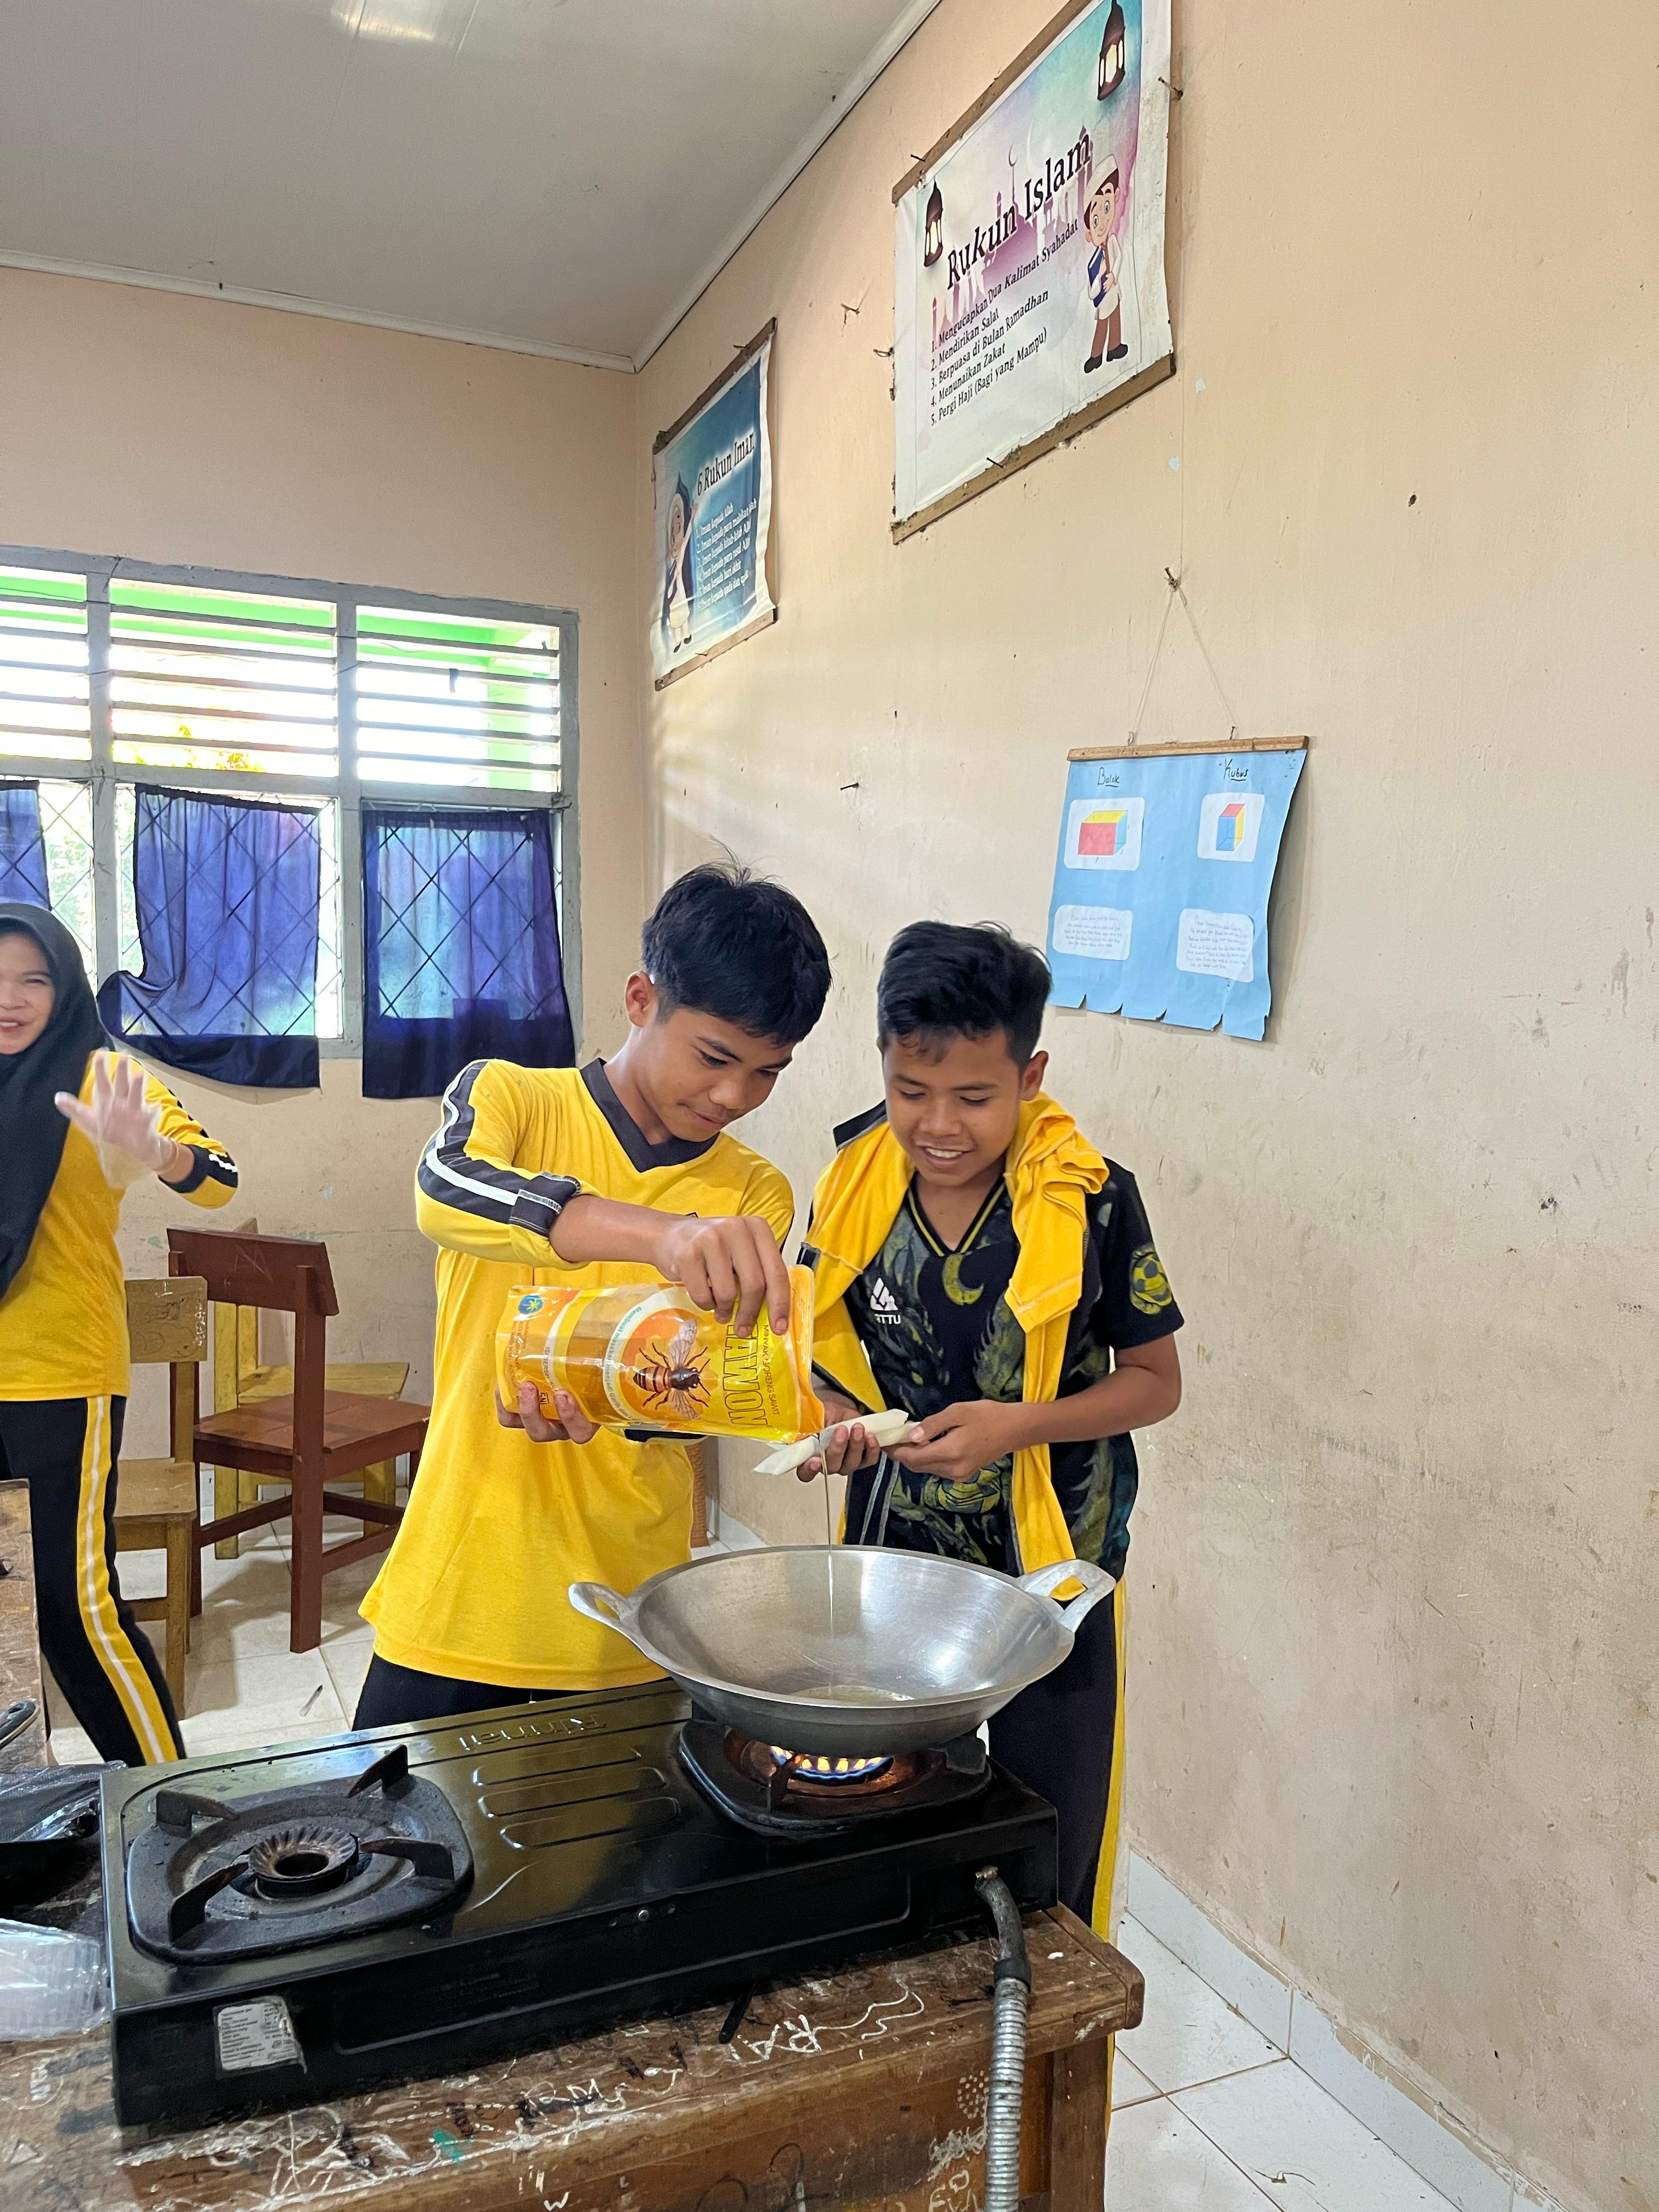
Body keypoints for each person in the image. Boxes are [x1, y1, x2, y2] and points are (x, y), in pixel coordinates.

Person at [354, 861, 832, 1728]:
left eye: (769, 1073)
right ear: (642, 999)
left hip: (630, 1613)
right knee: (399, 1818)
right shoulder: (510, 1097)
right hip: (462, 1590)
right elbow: (445, 1190)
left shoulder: (754, 1191)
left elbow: (694, 1389)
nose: (734, 1096)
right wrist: (663, 1235)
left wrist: (784, 1403)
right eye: (715, 1057)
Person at [801, 921, 1182, 1928]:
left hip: (1051, 1573)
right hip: (896, 1569)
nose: (938, 1125)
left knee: (1045, 1843)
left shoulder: (1090, 1200)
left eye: (974, 1098)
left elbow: (1153, 1384)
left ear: (1030, 1075)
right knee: (891, 1831)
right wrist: (835, 1422)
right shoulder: (851, 1186)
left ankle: (1039, 2020)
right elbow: (823, 1360)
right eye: (909, 1091)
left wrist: (1016, 1426)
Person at [0, 904, 238, 1764]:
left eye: (34, 979)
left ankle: (167, 1797)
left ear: (64, 990)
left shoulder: (101, 1078)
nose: (11, 999)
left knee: (73, 1604)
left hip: (60, 1370)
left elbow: (217, 1177)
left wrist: (160, 1154)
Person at [1082, 162, 1127, 371]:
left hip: (1114, 290)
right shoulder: (1094, 263)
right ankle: (1095, 356)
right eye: (1095, 220)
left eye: (1106, 207)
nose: (1101, 224)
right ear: (1089, 235)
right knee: (1102, 325)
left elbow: (1119, 257)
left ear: (1116, 197)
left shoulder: (1112, 241)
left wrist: (1114, 276)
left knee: (1116, 317)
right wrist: (1101, 276)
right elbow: (1091, 293)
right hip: (1103, 298)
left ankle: (1114, 347)